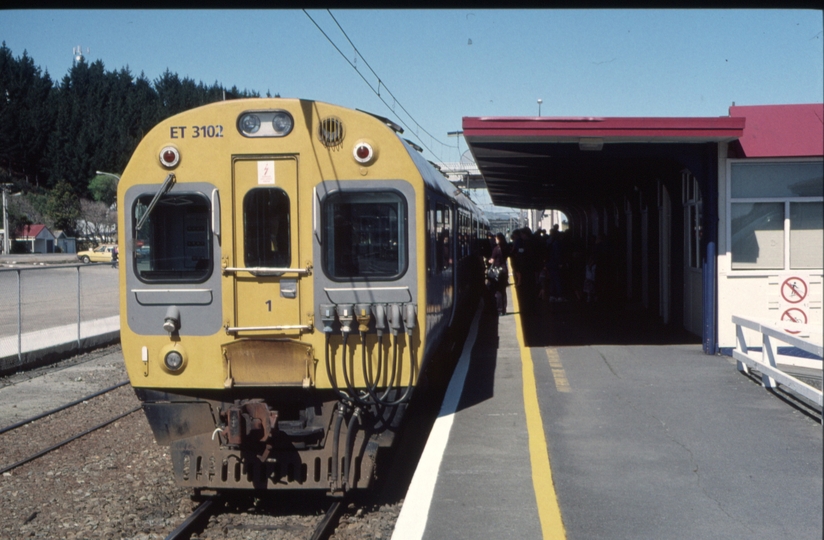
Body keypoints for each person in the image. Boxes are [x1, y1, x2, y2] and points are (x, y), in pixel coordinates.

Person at [487, 232, 509, 315]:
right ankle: (504, 309)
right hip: (504, 270)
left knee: (498, 291)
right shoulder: (506, 247)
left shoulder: (496, 249)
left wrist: (488, 261)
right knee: (503, 290)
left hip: (497, 271)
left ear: (499, 239)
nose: (495, 240)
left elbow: (492, 260)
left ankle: (499, 309)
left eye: (496, 238)